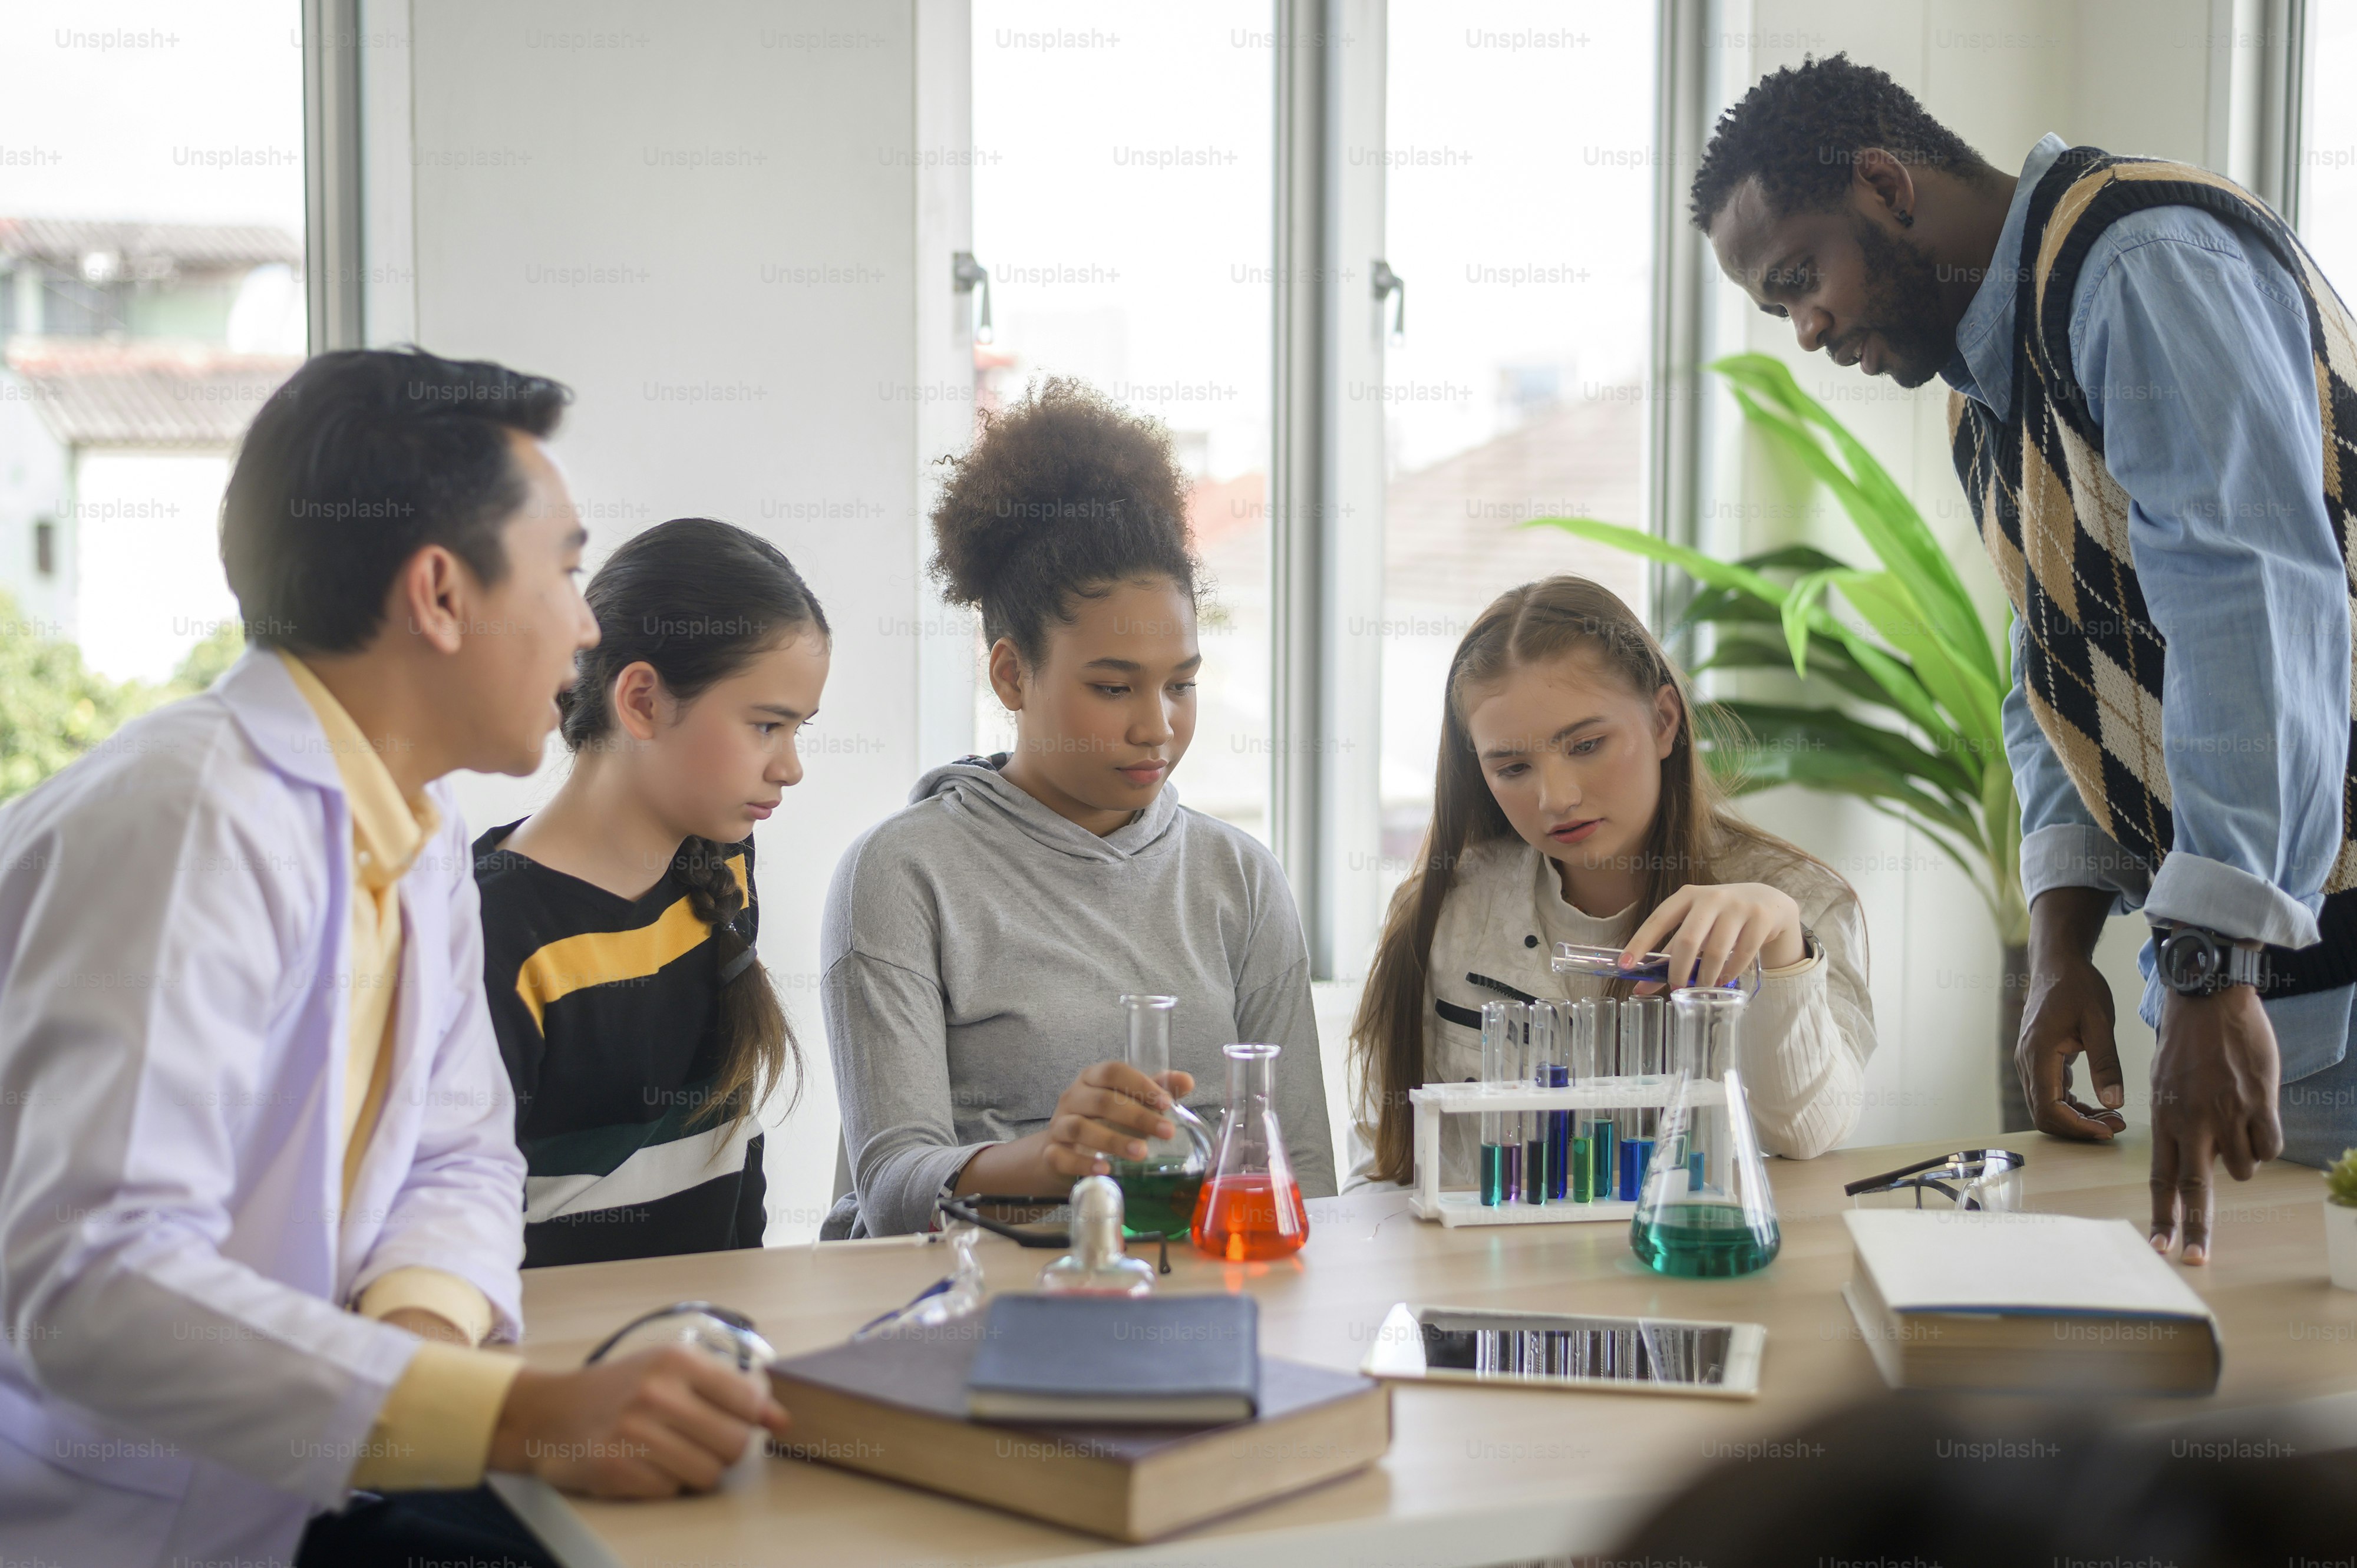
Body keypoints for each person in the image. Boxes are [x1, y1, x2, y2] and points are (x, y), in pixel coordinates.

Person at [0, 348, 787, 1568]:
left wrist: (424, 1354)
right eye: (567, 569)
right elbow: (95, 1288)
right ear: (439, 592)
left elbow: (456, 1153)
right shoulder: (186, 819)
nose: (584, 622)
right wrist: (513, 1416)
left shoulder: (413, 839)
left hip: (289, 1497)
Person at [1693, 54, 2357, 1263]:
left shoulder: (2137, 262)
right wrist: (2061, 950)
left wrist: (2210, 965)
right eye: (1774, 306)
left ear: (1885, 184)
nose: (1804, 330)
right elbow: (2049, 662)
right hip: (2257, 971)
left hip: (2308, 964)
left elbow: (2247, 602)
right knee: (2263, 1377)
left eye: (1799, 277)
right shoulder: (1980, 391)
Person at [821, 377, 1335, 1237]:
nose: (1158, 726)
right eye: (1113, 686)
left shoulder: (1237, 878)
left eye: (1183, 683)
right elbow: (892, 1190)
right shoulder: (904, 874)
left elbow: (1305, 1175)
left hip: (1199, 1306)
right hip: (974, 1310)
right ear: (1011, 674)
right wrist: (1058, 1163)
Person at [1347, 575, 1874, 1190]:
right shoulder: (1445, 911)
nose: (1557, 798)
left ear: (1663, 722)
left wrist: (1782, 952)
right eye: (1512, 767)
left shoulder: (1800, 901)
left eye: (1588, 745)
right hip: (1488, 1281)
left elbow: (1808, 1132)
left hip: (1701, 1277)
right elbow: (1383, 1165)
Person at [474, 517, 828, 1266]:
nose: (791, 768)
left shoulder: (722, 862)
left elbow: (736, 1165)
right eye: (767, 726)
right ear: (640, 701)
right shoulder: (495, 932)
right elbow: (463, 1239)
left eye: (799, 730)